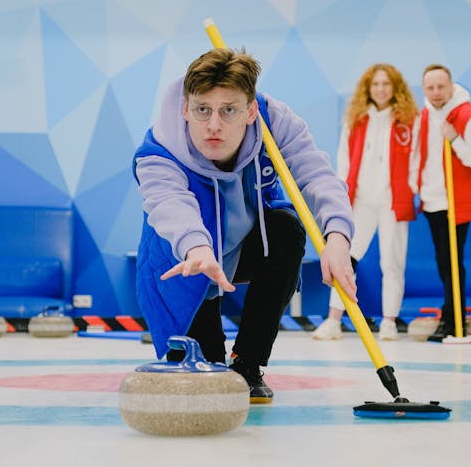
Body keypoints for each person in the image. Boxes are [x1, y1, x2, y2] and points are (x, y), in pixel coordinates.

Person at [132, 48, 357, 404]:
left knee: (287, 227)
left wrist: (339, 238)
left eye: (229, 110)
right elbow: (169, 205)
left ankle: (248, 363)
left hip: (250, 244)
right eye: (202, 109)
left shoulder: (274, 121)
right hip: (187, 258)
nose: (214, 125)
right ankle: (208, 353)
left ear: (251, 111)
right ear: (185, 110)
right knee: (202, 377)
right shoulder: (159, 151)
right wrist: (198, 248)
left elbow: (316, 174)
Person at [312, 64, 418, 342]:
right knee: (345, 258)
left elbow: (417, 160)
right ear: (368, 89)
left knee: (392, 262)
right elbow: (344, 160)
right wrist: (343, 196)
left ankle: (389, 322)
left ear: (395, 88)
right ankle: (334, 320)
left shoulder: (408, 120)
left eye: (386, 84)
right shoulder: (356, 120)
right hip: (361, 201)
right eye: (376, 84)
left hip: (393, 201)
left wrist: (411, 188)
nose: (381, 89)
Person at [416, 64, 471, 341]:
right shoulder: (425, 115)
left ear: (451, 87)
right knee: (444, 263)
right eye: (430, 87)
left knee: (452, 263)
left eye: (441, 86)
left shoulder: (467, 117)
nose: (436, 92)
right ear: (424, 89)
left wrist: (456, 140)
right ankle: (450, 316)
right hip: (432, 201)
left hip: (454, 203)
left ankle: (453, 321)